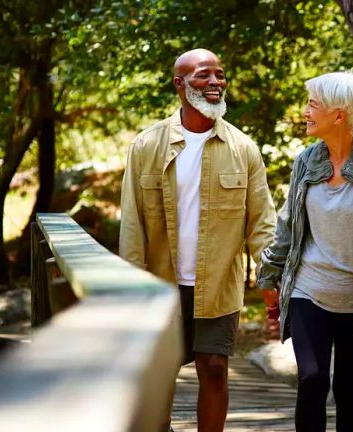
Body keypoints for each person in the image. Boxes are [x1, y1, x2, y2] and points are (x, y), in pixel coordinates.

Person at [119, 48, 276, 432]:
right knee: (157, 376)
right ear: (180, 83)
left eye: (220, 76)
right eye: (205, 75)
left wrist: (271, 280)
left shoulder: (243, 148)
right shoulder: (146, 146)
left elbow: (262, 223)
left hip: (218, 282)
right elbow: (133, 224)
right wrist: (129, 286)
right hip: (159, 283)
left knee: (215, 368)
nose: (215, 83)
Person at [258, 71, 353, 431]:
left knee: (348, 388)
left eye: (313, 105)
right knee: (311, 378)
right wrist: (269, 274)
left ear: (338, 114)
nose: (306, 112)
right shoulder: (306, 161)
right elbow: (288, 225)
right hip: (309, 291)